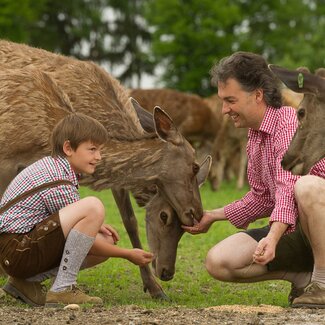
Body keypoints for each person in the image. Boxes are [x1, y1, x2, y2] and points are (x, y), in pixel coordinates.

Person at [183, 51, 325, 308]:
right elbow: (261, 197)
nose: (225, 110)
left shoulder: (288, 122)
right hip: (299, 231)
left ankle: (323, 284)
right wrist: (213, 215)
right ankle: (304, 277)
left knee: (306, 186)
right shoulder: (256, 135)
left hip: (317, 223)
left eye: (230, 100)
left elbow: (286, 189)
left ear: (257, 95)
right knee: (219, 260)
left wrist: (271, 238)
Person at [0, 113, 153, 307]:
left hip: (18, 250)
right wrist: (126, 253)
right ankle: (63, 288)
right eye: (92, 149)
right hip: (17, 250)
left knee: (103, 238)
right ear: (68, 148)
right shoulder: (58, 179)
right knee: (93, 206)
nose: (98, 157)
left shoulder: (56, 168)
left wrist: (96, 226)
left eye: (99, 150)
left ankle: (25, 283)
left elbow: (72, 232)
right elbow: (83, 239)